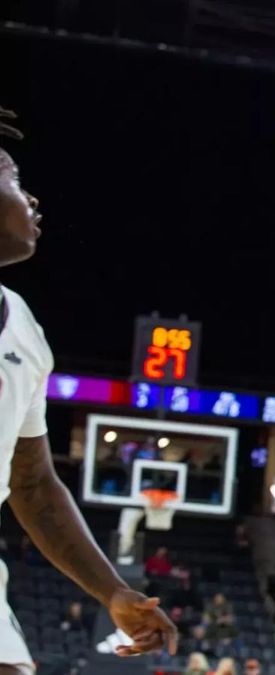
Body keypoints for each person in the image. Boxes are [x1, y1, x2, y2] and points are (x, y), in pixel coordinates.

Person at [0, 107, 177, 670]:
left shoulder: (25, 330)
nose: (32, 201)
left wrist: (111, 590)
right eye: (14, 182)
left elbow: (33, 484)